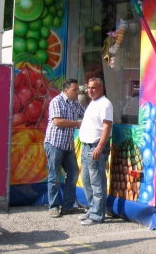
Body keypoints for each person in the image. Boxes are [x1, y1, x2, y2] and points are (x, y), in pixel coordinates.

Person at [44, 79, 85, 218]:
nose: (77, 92)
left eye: (78, 89)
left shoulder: (76, 104)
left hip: (68, 145)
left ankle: (68, 206)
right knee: (54, 176)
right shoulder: (57, 101)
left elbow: (86, 116)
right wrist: (77, 124)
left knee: (73, 173)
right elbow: (57, 121)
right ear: (66, 91)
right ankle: (53, 206)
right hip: (54, 144)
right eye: (74, 90)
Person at [78, 77, 113, 225]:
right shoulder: (93, 103)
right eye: (88, 88)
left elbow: (107, 126)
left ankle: (98, 215)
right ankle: (93, 209)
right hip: (86, 147)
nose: (90, 91)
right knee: (87, 181)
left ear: (101, 89)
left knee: (97, 183)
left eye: (93, 88)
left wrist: (99, 147)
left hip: (95, 147)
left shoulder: (105, 104)